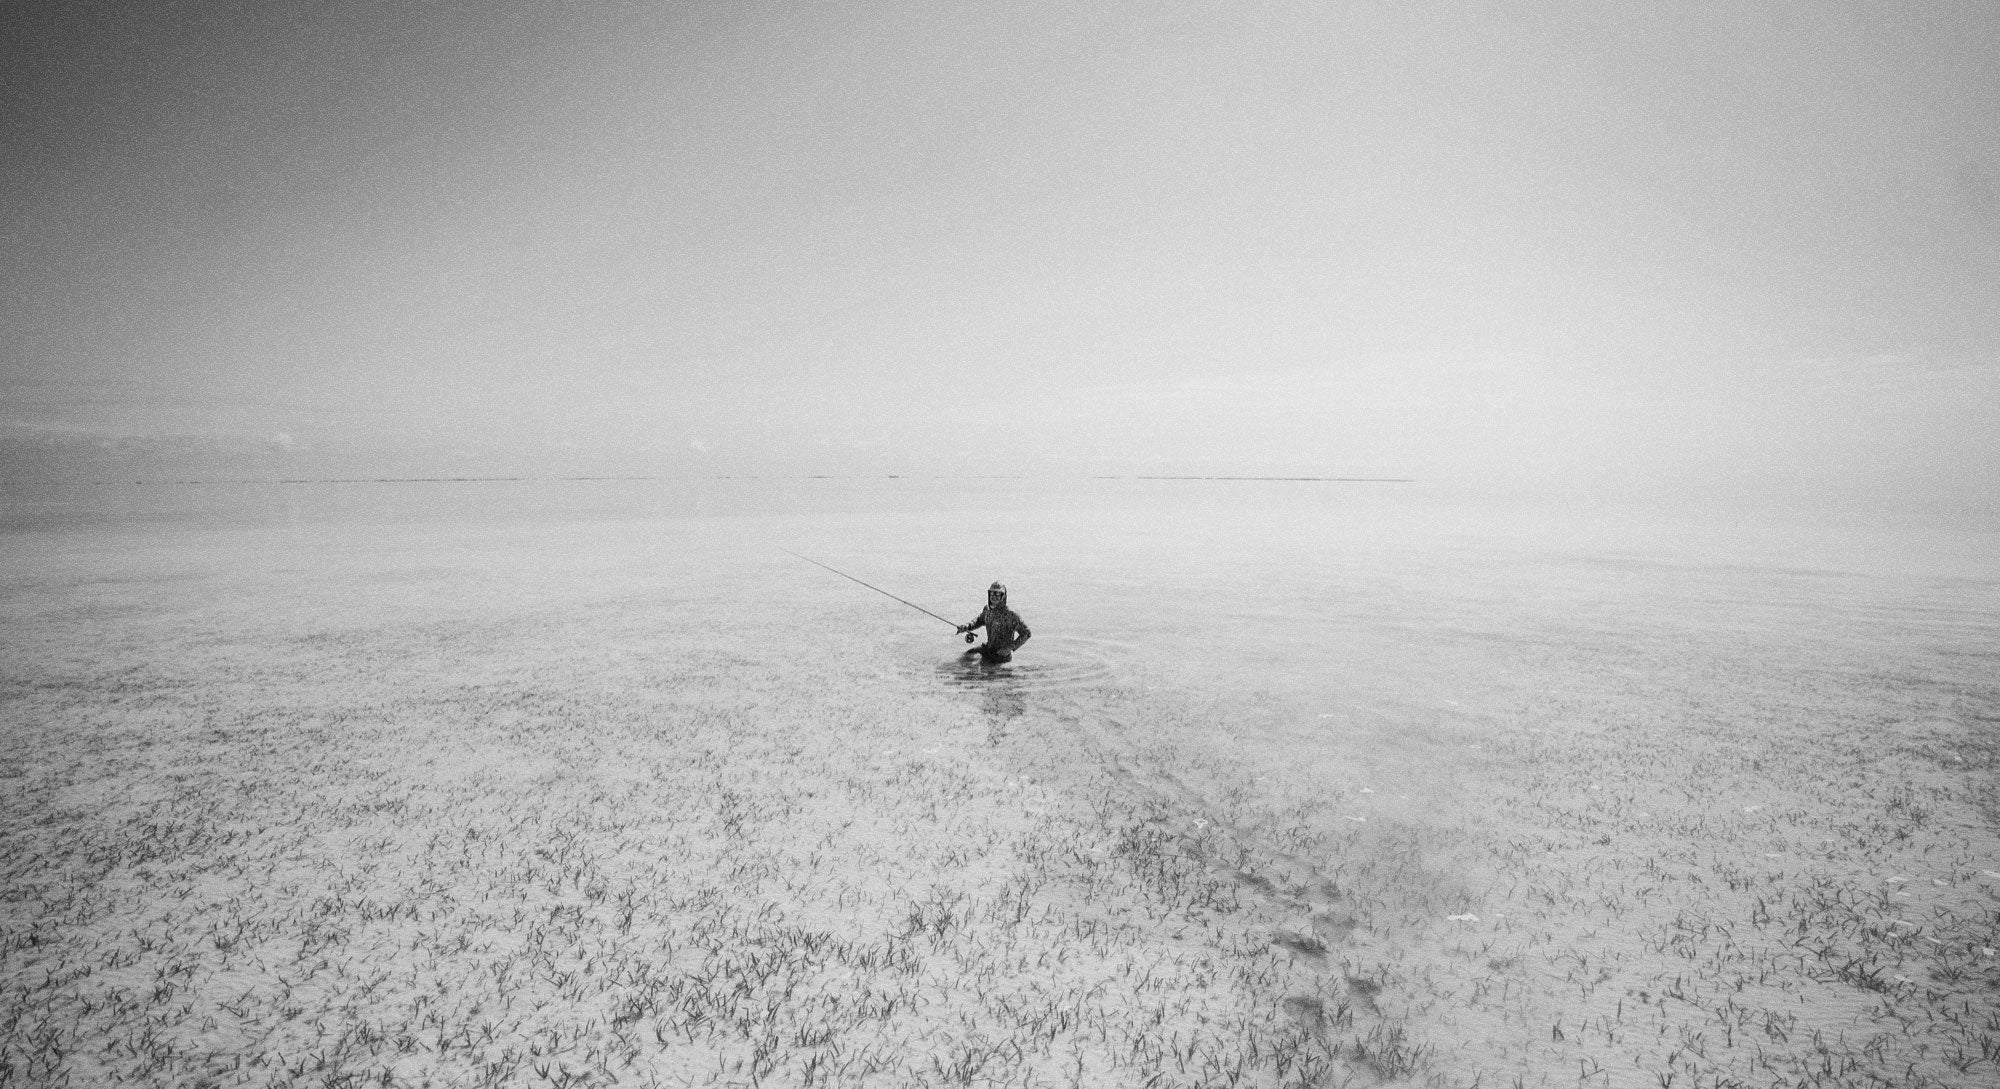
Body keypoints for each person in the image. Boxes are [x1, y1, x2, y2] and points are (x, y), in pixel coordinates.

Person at [957, 581, 1031, 663]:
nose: (994, 596)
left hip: (1001, 656)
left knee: (988, 669)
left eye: (998, 594)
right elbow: (979, 620)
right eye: (992, 593)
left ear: (1003, 596)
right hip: (988, 648)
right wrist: (967, 626)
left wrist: (1010, 647)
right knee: (965, 657)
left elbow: (1026, 633)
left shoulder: (1011, 614)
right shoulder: (987, 609)